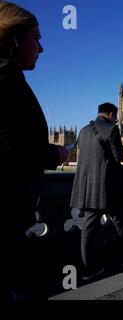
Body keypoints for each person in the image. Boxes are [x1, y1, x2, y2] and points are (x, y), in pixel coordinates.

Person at [0, 1, 68, 300]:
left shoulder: (10, 76)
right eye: (36, 38)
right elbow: (9, 148)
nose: (41, 48)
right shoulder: (5, 79)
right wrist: (54, 154)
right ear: (13, 40)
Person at [70, 103, 123, 281]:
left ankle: (88, 268)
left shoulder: (83, 130)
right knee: (121, 221)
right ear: (112, 114)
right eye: (116, 117)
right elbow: (119, 156)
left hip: (86, 185)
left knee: (88, 227)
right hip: (107, 186)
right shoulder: (111, 129)